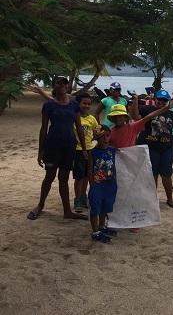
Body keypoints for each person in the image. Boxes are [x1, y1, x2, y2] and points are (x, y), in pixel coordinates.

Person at [27, 76, 88, 221]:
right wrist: (40, 151)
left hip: (69, 146)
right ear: (54, 86)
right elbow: (43, 129)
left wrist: (84, 148)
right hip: (52, 146)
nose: (62, 85)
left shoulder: (74, 105)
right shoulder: (49, 105)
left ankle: (67, 211)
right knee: (49, 176)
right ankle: (40, 205)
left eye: (64, 83)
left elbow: (79, 128)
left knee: (64, 178)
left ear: (68, 86)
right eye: (59, 83)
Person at [130, 90, 173, 208]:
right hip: (151, 147)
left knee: (166, 174)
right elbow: (135, 117)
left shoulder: (170, 113)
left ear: (167, 101)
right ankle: (152, 199)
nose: (161, 102)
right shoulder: (146, 109)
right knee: (152, 174)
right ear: (155, 99)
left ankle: (169, 199)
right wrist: (135, 101)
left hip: (167, 147)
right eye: (159, 99)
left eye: (164, 100)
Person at [87, 126, 118, 243]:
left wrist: (114, 180)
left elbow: (114, 166)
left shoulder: (112, 150)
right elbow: (89, 169)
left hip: (110, 184)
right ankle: (95, 232)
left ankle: (101, 227)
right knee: (95, 207)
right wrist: (92, 185)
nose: (105, 138)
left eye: (107, 135)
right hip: (97, 185)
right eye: (102, 136)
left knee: (106, 206)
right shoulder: (93, 152)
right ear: (97, 138)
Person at [73, 93, 99, 213]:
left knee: (87, 175)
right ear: (78, 104)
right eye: (84, 103)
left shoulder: (91, 119)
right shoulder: (74, 116)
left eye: (89, 104)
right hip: (77, 150)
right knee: (79, 177)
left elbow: (96, 133)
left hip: (90, 150)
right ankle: (77, 199)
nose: (87, 106)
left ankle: (83, 197)